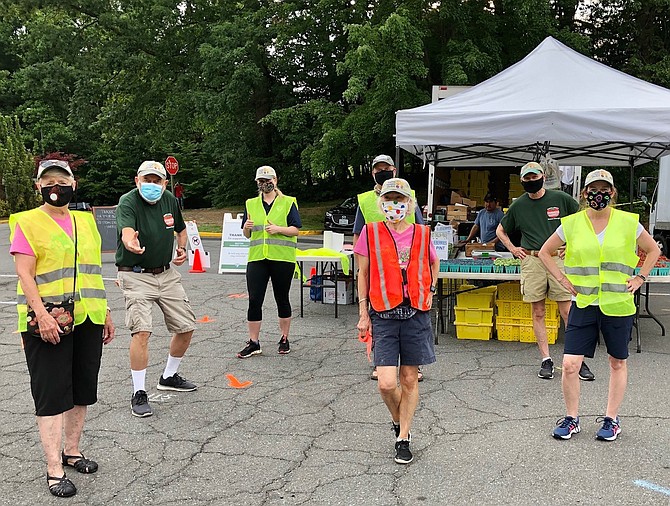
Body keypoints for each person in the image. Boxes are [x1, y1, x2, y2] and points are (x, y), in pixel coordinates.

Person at [9, 159, 115, 498]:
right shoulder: (27, 221)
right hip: (48, 319)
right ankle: (54, 468)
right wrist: (41, 315)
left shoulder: (86, 221)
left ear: (74, 183)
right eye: (48, 180)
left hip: (88, 317)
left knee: (81, 389)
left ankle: (72, 451)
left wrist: (106, 311)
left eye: (62, 179)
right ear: (38, 186)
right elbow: (25, 274)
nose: (56, 186)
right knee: (52, 394)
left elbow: (93, 271)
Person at [539, 169, 660, 441]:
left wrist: (641, 277)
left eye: (605, 189)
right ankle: (572, 419)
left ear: (613, 193)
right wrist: (561, 278)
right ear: (584, 193)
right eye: (594, 189)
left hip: (617, 304)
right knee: (570, 364)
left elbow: (653, 250)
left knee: (617, 362)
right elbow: (545, 252)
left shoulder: (629, 222)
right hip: (583, 302)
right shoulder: (571, 223)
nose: (599, 194)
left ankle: (611, 419)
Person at [355, 178, 439, 465]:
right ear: (382, 204)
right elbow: (362, 274)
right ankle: (397, 418)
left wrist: (431, 288)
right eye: (390, 199)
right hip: (383, 313)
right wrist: (363, 313)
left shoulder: (423, 233)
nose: (395, 205)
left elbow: (433, 263)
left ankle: (403, 436)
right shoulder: (371, 232)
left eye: (400, 199)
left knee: (409, 378)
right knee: (387, 384)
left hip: (415, 312)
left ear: (409, 203)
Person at [496, 161, 595, 381]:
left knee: (568, 311)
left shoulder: (560, 199)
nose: (532, 181)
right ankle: (545, 359)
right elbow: (501, 229)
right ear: (522, 181)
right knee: (538, 311)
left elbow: (584, 220)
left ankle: (577, 360)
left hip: (557, 259)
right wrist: (512, 248)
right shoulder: (518, 206)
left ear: (542, 176)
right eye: (527, 178)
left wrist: (571, 245)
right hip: (532, 260)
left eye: (535, 177)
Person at [116, 160, 197, 418]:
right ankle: (139, 392)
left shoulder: (170, 200)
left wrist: (182, 249)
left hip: (166, 273)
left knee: (186, 327)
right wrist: (131, 243)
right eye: (146, 180)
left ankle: (169, 376)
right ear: (137, 181)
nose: (152, 185)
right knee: (142, 331)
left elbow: (181, 230)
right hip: (136, 274)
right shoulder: (128, 202)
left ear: (164, 183)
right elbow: (127, 231)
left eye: (157, 181)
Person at [352, 154, 425, 381]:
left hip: (406, 266)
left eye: (386, 168)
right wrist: (360, 268)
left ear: (394, 170)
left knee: (410, 314)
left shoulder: (409, 196)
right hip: (377, 266)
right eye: (378, 169)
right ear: (373, 172)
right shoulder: (365, 201)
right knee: (380, 313)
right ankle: (381, 361)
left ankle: (413, 364)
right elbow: (358, 234)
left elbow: (421, 231)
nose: (382, 171)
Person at [237, 165, 301, 358]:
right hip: (258, 258)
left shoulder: (288, 202)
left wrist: (279, 229)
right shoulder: (251, 203)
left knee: (282, 298)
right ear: (257, 183)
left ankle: (284, 338)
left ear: (275, 180)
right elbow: (247, 234)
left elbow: (296, 229)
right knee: (254, 299)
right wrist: (247, 228)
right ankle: (254, 342)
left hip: (282, 257)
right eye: (261, 181)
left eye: (268, 180)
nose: (265, 184)